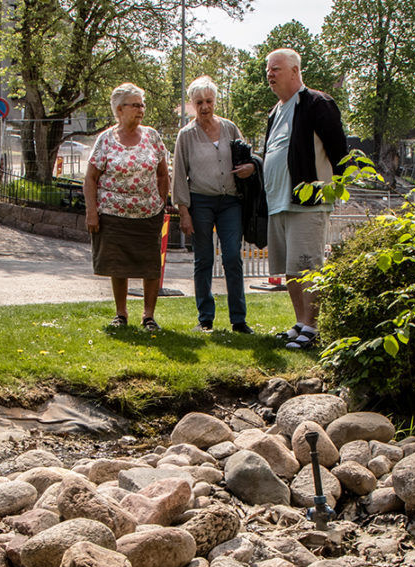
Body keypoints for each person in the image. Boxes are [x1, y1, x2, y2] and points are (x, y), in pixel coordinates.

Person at [263, 48, 348, 349]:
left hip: (307, 201)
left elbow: (339, 149)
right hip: (279, 202)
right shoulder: (275, 111)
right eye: (268, 70)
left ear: (295, 71)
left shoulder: (316, 103)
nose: (269, 74)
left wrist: (337, 187)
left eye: (276, 69)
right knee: (290, 269)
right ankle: (300, 321)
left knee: (308, 265)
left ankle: (312, 327)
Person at [83, 83, 170, 331]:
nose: (141, 109)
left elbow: (163, 174)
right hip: (113, 213)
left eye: (142, 105)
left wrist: (161, 202)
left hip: (148, 213)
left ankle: (148, 316)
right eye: (135, 105)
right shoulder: (106, 139)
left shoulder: (152, 136)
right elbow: (90, 178)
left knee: (150, 265)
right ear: (120, 109)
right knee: (117, 264)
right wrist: (92, 211)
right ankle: (121, 314)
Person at [172, 75, 256, 334]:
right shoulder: (186, 135)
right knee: (204, 259)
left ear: (215, 101)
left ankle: (238, 320)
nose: (205, 107)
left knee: (232, 257)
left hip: (230, 200)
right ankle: (205, 318)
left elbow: (247, 158)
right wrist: (184, 211)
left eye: (209, 101)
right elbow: (178, 176)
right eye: (199, 102)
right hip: (200, 201)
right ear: (192, 104)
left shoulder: (230, 128)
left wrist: (250, 168)